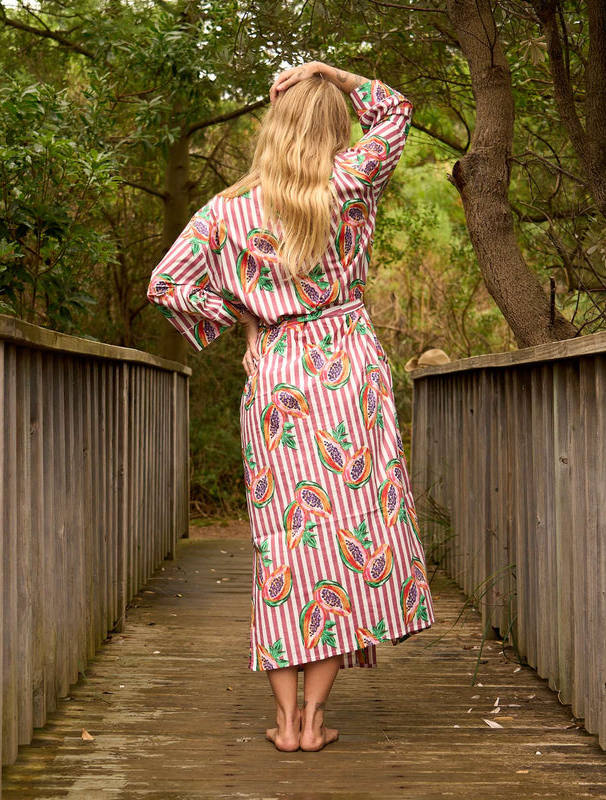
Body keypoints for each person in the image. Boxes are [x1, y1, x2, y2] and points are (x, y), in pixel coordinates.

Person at [147, 61, 433, 752]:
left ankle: (284, 723)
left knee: (285, 545)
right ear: (335, 129)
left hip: (276, 372)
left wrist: (243, 321)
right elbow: (396, 111)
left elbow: (166, 284)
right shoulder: (350, 182)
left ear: (272, 129)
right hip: (348, 370)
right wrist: (328, 70)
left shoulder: (226, 212)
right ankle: (316, 718)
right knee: (342, 537)